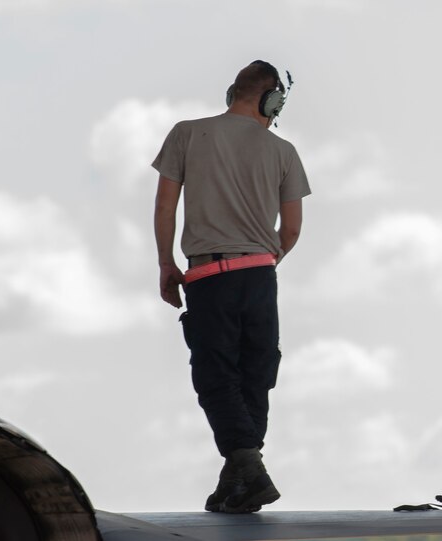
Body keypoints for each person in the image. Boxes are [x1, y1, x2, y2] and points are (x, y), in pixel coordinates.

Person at [152, 60, 311, 514]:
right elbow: (293, 230)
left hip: (209, 277)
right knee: (255, 377)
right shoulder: (285, 151)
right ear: (271, 101)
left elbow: (165, 207)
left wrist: (167, 264)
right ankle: (242, 475)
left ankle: (246, 468)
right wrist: (259, 261)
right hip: (261, 277)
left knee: (216, 375)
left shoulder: (187, 133)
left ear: (232, 93)